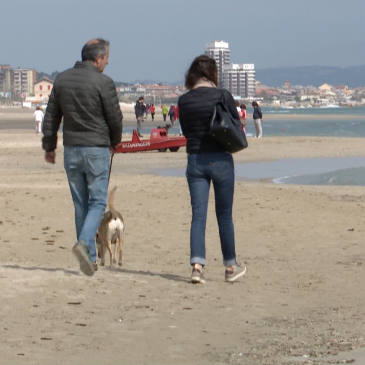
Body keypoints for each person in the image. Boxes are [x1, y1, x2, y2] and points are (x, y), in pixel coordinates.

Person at [42, 38, 123, 276]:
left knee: (81, 204)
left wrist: (49, 146)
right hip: (95, 148)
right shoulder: (103, 82)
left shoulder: (62, 79)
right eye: (107, 58)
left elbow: (51, 116)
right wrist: (115, 141)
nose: (108, 62)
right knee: (98, 202)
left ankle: (87, 258)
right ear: (98, 58)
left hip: (72, 150)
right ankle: (85, 244)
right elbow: (115, 118)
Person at [178, 54, 246, 284]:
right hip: (221, 160)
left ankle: (197, 267)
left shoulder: (184, 100)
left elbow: (186, 131)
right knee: (224, 215)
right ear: (212, 74)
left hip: (195, 159)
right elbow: (235, 124)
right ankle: (230, 267)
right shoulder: (222, 95)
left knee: (198, 215)